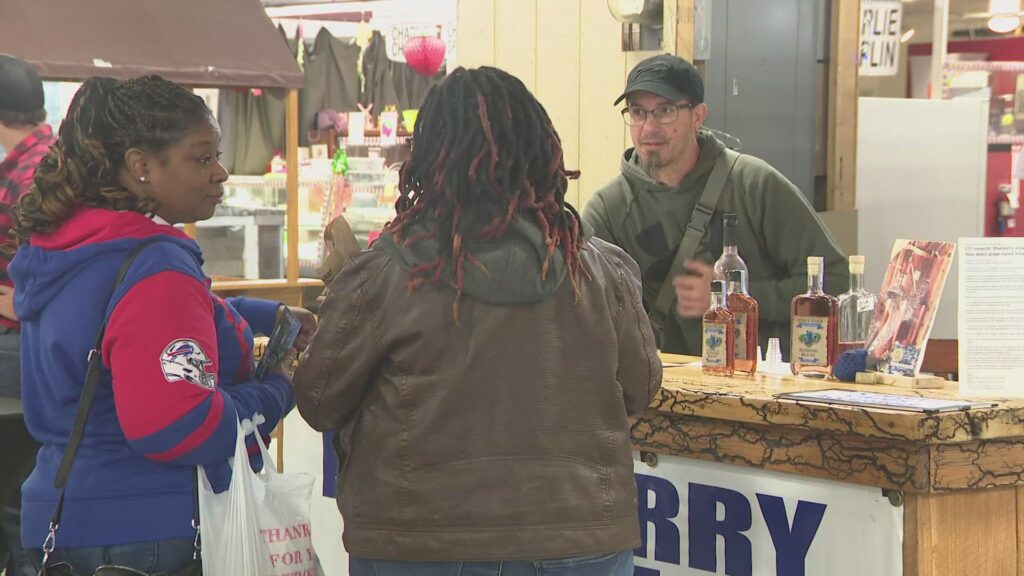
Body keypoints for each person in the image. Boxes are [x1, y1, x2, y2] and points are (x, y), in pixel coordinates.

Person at [293, 66, 662, 575]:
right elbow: (641, 387)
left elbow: (319, 400)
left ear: (426, 159)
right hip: (581, 536)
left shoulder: (384, 274)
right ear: (541, 151)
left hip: (420, 540)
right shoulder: (600, 269)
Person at [7, 75, 315, 576]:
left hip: (65, 521)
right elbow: (179, 426)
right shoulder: (152, 265)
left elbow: (128, 320)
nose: (221, 173)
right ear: (141, 166)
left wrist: (265, 314)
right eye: (201, 158)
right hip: (148, 537)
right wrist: (277, 388)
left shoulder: (67, 250)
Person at [582, 54, 847, 358]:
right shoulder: (609, 210)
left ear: (698, 115)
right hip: (662, 392)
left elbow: (837, 284)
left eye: (665, 111)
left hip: (757, 388)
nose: (648, 127)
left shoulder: (753, 184)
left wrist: (737, 298)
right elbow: (586, 311)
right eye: (638, 112)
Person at [0, 54, 54, 576]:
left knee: (14, 482)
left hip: (19, 342)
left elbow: (44, 281)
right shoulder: (37, 158)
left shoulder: (33, 170)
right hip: (25, 338)